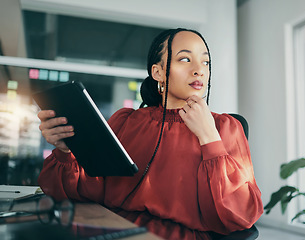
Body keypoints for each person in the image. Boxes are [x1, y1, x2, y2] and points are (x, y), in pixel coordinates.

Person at [37, 28, 263, 240]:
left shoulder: (225, 127)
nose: (199, 69)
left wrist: (209, 137)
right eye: (185, 59)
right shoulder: (126, 121)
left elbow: (242, 214)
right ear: (157, 72)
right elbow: (88, 193)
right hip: (110, 228)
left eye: (206, 62)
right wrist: (67, 151)